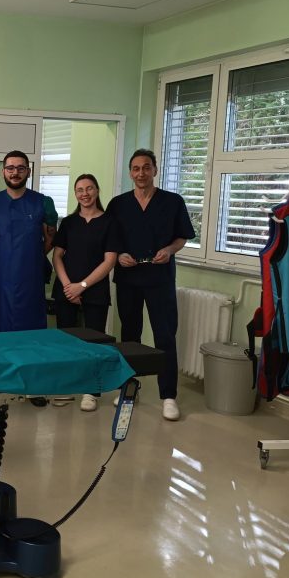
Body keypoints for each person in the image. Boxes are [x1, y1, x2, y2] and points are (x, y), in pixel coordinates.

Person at [106, 149, 195, 421]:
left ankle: (168, 396)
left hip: (159, 278)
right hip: (128, 278)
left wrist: (169, 250)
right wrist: (119, 255)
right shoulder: (118, 204)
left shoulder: (172, 201)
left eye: (146, 167)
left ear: (155, 170)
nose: (141, 173)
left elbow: (182, 237)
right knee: (129, 335)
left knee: (164, 336)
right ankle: (129, 388)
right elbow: (109, 240)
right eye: (136, 168)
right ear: (130, 173)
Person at [52, 173, 120, 412]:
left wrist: (82, 286)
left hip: (95, 290)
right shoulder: (68, 223)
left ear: (97, 190)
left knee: (94, 342)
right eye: (80, 190)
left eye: (89, 188)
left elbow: (109, 261)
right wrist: (68, 286)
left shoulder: (109, 222)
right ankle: (67, 386)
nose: (85, 194)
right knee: (67, 341)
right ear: (75, 194)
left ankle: (91, 391)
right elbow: (57, 256)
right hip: (66, 289)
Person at [0, 150, 58, 333]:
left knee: (30, 329)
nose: (15, 172)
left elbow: (51, 237)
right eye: (10, 168)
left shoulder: (43, 203)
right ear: (3, 172)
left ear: (28, 172)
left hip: (31, 277)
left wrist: (32, 255)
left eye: (20, 168)